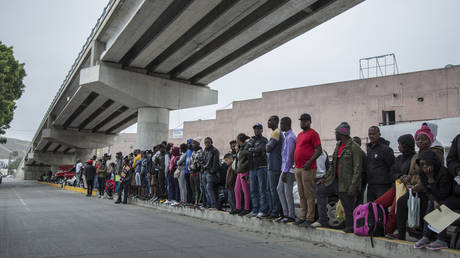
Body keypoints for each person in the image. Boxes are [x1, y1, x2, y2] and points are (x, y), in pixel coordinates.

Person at [396, 123, 436, 240]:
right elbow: (411, 173)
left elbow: (433, 174)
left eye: (423, 139)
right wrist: (406, 180)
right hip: (413, 189)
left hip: (426, 190)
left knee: (424, 209)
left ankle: (426, 237)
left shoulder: (432, 154)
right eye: (418, 139)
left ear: (429, 140)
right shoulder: (415, 156)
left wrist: (422, 186)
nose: (420, 142)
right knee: (401, 203)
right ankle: (401, 235)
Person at [321, 122, 362, 232]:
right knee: (320, 191)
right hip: (335, 181)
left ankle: (350, 227)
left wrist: (353, 186)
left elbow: (358, 168)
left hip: (347, 183)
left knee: (348, 206)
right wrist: (325, 177)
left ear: (342, 134)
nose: (335, 134)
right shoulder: (338, 146)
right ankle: (323, 220)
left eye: (337, 133)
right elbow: (333, 164)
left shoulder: (354, 147)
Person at [374, 134, 416, 237]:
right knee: (377, 204)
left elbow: (413, 174)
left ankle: (387, 231)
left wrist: (406, 178)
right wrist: (400, 176)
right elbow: (392, 172)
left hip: (405, 188)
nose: (398, 147)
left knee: (394, 211)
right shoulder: (399, 158)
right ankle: (377, 226)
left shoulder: (414, 158)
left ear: (406, 145)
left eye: (400, 144)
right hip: (396, 186)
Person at [413, 149, 454, 250]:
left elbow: (444, 193)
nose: (424, 167)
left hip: (450, 197)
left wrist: (431, 180)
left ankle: (441, 239)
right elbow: (427, 191)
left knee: (441, 206)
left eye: (426, 164)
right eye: (422, 164)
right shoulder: (423, 173)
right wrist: (434, 200)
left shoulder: (443, 173)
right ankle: (426, 236)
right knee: (431, 203)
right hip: (436, 197)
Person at [293, 113, 322, 226]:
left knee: (309, 193)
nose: (302, 122)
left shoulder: (314, 134)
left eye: (305, 121)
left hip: (308, 168)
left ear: (310, 122)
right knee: (301, 194)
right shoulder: (300, 135)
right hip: (298, 168)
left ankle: (310, 218)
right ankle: (303, 216)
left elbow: (318, 150)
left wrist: (309, 162)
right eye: (301, 121)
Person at [242, 123, 269, 218]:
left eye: (258, 129)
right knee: (253, 190)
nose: (256, 130)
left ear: (262, 130)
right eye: (255, 129)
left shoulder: (264, 140)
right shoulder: (251, 140)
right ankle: (255, 210)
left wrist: (251, 150)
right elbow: (244, 151)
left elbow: (260, 149)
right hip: (252, 168)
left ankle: (263, 210)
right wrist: (253, 150)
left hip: (261, 167)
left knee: (262, 190)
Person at [366, 126, 395, 202]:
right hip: (371, 184)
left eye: (374, 134)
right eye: (370, 134)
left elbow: (392, 166)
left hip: (383, 185)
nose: (371, 136)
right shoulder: (368, 148)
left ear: (379, 134)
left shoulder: (386, 149)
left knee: (381, 208)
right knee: (370, 208)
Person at [276, 117, 296, 223]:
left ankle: (291, 215)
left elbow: (290, 157)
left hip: (288, 170)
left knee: (288, 193)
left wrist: (285, 171)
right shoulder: (286, 136)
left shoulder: (291, 138)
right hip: (284, 169)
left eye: (281, 124)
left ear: (286, 124)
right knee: (279, 189)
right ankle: (285, 213)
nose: (280, 126)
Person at [266, 115, 283, 219]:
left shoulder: (276, 132)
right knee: (270, 190)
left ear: (276, 121)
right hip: (271, 166)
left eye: (270, 120)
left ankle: (275, 212)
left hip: (275, 166)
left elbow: (268, 148)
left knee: (274, 191)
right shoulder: (274, 132)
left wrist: (265, 146)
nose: (268, 122)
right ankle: (272, 210)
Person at [235, 133, 251, 216]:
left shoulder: (247, 146)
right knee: (237, 189)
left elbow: (249, 159)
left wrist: (243, 166)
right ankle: (238, 207)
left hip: (244, 171)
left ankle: (246, 208)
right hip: (239, 171)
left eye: (237, 140)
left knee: (245, 191)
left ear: (239, 140)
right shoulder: (240, 148)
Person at [203, 137, 221, 210]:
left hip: (211, 173)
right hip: (204, 172)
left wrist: (212, 171)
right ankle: (209, 204)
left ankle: (213, 205)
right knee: (205, 189)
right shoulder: (205, 151)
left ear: (211, 142)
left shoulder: (215, 150)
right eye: (206, 142)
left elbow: (216, 162)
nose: (207, 144)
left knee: (209, 188)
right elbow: (203, 160)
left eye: (208, 142)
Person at [352, 136, 367, 206]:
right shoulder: (354, 153)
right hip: (356, 181)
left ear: (360, 144)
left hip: (360, 181)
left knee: (358, 200)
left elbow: (362, 169)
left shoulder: (361, 154)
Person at [189, 137, 203, 206]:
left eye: (194, 143)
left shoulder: (200, 152)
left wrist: (193, 169)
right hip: (191, 172)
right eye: (192, 143)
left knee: (198, 188)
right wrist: (190, 169)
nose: (193, 144)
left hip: (197, 172)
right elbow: (190, 162)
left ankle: (197, 202)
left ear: (198, 143)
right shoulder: (193, 152)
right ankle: (194, 200)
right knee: (193, 188)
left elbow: (197, 163)